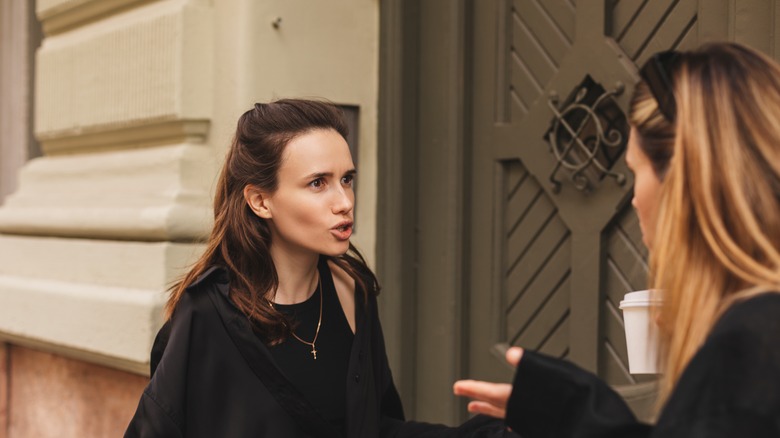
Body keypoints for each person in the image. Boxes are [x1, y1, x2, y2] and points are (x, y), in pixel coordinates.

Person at [125, 99, 512, 437]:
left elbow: (376, 427)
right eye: (317, 183)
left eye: (347, 179)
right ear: (260, 201)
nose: (344, 201)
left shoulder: (350, 290)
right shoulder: (208, 314)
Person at [453, 42, 780, 437]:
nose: (636, 198)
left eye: (635, 169)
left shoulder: (746, 350)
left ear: (681, 183)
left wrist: (579, 414)